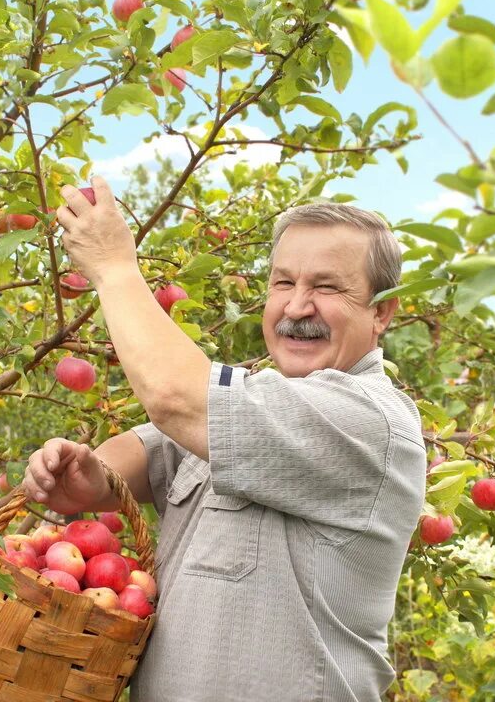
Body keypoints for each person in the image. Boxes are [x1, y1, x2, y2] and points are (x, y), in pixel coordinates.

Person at [23, 177, 426, 702]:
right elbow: (156, 446)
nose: (298, 307)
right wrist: (90, 474)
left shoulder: (367, 419)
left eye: (327, 287)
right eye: (283, 284)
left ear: (381, 313)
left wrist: (115, 268)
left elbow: (175, 399)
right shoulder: (260, 396)